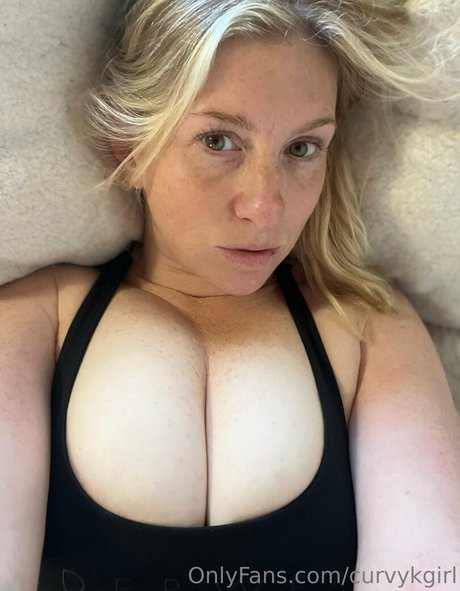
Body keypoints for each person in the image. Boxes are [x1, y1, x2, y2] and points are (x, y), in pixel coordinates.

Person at [1, 0, 459, 589]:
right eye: (218, 141)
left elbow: (426, 572)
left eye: (302, 148)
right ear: (131, 148)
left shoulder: (368, 326)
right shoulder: (39, 320)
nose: (265, 208)